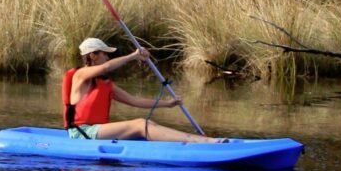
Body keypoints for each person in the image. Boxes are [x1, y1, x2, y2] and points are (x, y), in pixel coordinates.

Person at [62, 37, 223, 143]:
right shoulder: (79, 75)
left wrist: (167, 104)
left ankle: (197, 140)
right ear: (93, 55)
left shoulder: (104, 83)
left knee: (147, 123)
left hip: (95, 131)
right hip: (81, 133)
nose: (107, 57)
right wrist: (133, 56)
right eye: (105, 54)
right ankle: (204, 141)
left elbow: (135, 101)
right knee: (140, 124)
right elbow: (106, 67)